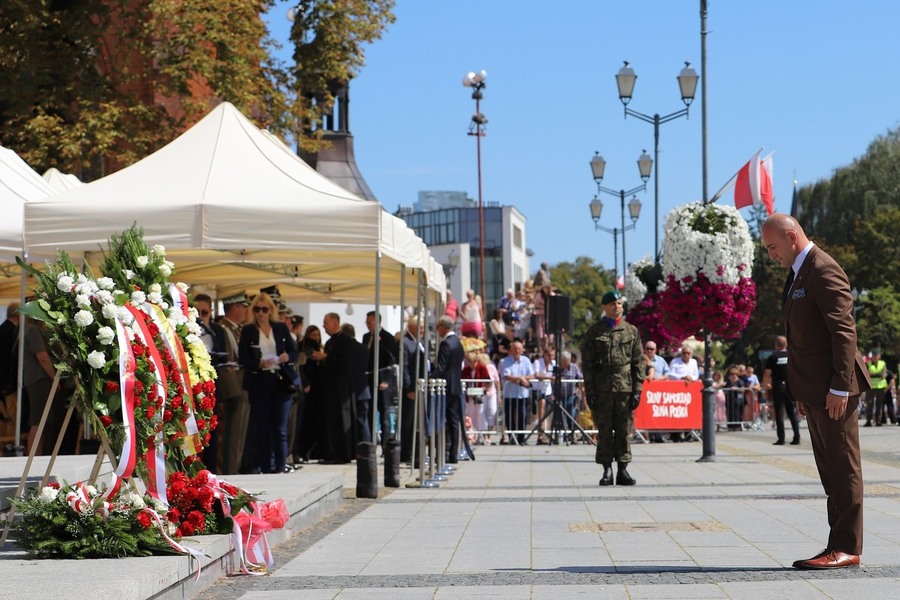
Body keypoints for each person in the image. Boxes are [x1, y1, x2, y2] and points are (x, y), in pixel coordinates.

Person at [761, 212, 871, 570]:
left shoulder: (823, 269)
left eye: (773, 246)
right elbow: (803, 339)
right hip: (816, 390)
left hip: (835, 388)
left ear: (792, 237)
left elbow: (843, 332)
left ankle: (847, 547)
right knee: (830, 471)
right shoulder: (798, 273)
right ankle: (836, 543)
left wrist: (840, 386)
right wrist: (803, 392)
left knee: (843, 468)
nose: (771, 254)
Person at [581, 290, 643, 486]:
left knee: (624, 430)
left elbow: (638, 362)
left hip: (625, 388)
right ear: (605, 307)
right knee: (605, 430)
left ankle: (623, 469)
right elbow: (588, 364)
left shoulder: (631, 331)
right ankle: (607, 469)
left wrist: (638, 389)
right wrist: (589, 391)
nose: (618, 306)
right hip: (603, 388)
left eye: (619, 303)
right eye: (613, 303)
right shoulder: (594, 332)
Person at [238, 292, 298, 474]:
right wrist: (259, 364)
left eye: (265, 309)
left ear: (271, 310)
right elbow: (243, 358)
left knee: (280, 428)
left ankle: (280, 468)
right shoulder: (248, 330)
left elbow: (294, 352)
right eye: (257, 309)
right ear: (253, 311)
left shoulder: (280, 328)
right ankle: (266, 467)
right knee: (263, 428)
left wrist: (287, 357)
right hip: (260, 381)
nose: (261, 313)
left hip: (280, 380)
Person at [314, 313, 355, 464]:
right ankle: (331, 452)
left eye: (326, 323)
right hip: (330, 388)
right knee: (331, 420)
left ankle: (341, 453)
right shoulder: (331, 341)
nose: (323, 325)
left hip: (340, 389)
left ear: (335, 323)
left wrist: (325, 358)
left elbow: (344, 363)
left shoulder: (344, 341)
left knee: (340, 420)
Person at [362, 311, 399, 448]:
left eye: (371, 322)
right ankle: (371, 443)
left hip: (382, 381)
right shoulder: (366, 337)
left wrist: (387, 381)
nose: (368, 325)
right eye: (367, 322)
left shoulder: (387, 338)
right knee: (370, 412)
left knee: (384, 414)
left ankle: (385, 446)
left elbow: (391, 361)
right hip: (369, 380)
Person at [433, 315, 464, 463]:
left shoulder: (446, 344)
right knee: (453, 421)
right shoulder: (457, 342)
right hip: (455, 385)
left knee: (442, 419)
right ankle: (453, 453)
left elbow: (441, 367)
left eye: (438, 326)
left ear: (444, 327)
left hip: (445, 387)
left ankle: (444, 452)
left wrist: (430, 377)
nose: (437, 330)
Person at [763, 335, 800, 445]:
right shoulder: (791, 355)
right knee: (791, 412)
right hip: (790, 386)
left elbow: (767, 374)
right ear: (786, 344)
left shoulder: (773, 357)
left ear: (776, 345)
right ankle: (797, 437)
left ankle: (781, 438)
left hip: (778, 386)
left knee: (779, 412)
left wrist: (766, 386)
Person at [295, 325, 324, 463]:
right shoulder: (306, 347)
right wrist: (306, 382)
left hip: (318, 389)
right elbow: (302, 367)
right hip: (308, 388)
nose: (316, 338)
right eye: (313, 335)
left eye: (318, 335)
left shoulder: (320, 348)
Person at [400, 315, 426, 462]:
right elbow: (405, 368)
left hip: (419, 388)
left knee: (416, 422)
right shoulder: (406, 343)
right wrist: (410, 388)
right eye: (420, 327)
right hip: (411, 390)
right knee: (408, 422)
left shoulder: (419, 341)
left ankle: (414, 451)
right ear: (411, 327)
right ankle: (406, 452)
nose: (422, 330)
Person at [499, 339, 533, 445]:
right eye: (515, 349)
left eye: (519, 348)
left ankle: (522, 438)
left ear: (522, 350)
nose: (517, 351)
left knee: (522, 415)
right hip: (510, 394)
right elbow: (506, 375)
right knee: (510, 416)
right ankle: (512, 437)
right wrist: (521, 379)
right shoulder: (504, 361)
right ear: (511, 350)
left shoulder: (526, 360)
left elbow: (531, 374)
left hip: (522, 394)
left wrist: (522, 378)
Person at [864, 349, 889, 426]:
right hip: (871, 387)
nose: (875, 357)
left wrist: (873, 374)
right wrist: (878, 375)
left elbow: (884, 375)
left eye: (876, 355)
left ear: (878, 356)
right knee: (869, 404)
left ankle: (878, 420)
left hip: (880, 387)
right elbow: (867, 374)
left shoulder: (882, 364)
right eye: (873, 356)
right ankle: (868, 420)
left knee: (879, 404)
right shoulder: (868, 364)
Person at [722, 367, 746, 431]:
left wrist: (737, 388)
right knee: (729, 412)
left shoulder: (740, 381)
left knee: (737, 413)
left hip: (737, 400)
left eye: (734, 374)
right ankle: (730, 426)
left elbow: (743, 390)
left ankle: (737, 426)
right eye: (731, 374)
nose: (733, 375)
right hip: (729, 400)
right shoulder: (728, 381)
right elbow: (725, 388)